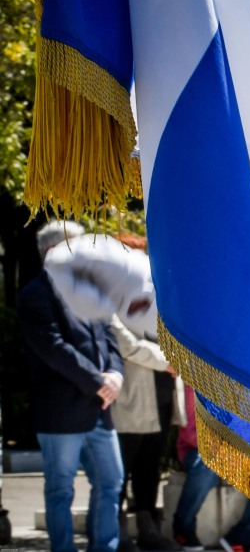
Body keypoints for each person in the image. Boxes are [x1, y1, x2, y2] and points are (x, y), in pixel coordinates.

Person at [43, 232, 184, 552]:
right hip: (132, 397)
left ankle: (148, 530)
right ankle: (117, 534)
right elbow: (125, 344)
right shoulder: (104, 299)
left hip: (163, 396)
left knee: (150, 468)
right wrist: (169, 361)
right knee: (120, 470)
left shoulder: (156, 290)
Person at [18, 220, 126, 552]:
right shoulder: (35, 295)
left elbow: (110, 339)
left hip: (100, 409)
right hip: (61, 411)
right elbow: (54, 349)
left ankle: (103, 547)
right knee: (60, 489)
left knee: (111, 481)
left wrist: (116, 375)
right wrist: (99, 382)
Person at [172, 384, 250, 552]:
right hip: (196, 449)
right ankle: (183, 527)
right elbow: (190, 430)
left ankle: (241, 537)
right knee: (206, 465)